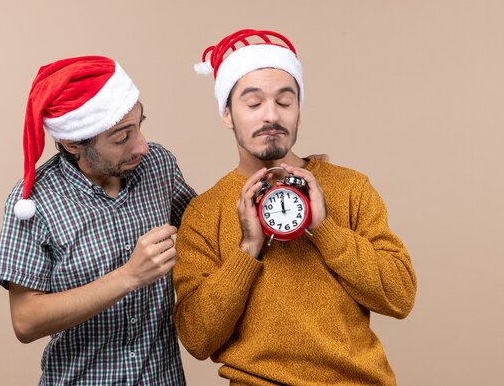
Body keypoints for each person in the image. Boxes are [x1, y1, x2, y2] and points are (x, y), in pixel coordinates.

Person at [173, 29, 417, 386]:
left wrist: (325, 229)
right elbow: (196, 338)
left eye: (285, 102)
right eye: (253, 104)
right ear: (227, 113)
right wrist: (248, 250)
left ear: (299, 110)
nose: (271, 116)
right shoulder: (205, 213)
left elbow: (400, 298)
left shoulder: (349, 187)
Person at [0, 56, 195, 385]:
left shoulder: (159, 167)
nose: (142, 145)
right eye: (121, 138)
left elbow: (207, 232)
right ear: (73, 143)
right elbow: (25, 321)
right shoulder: (32, 202)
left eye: (139, 125)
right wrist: (129, 276)